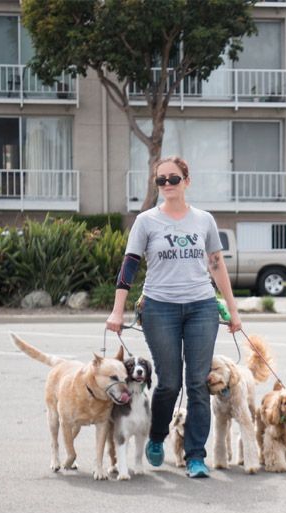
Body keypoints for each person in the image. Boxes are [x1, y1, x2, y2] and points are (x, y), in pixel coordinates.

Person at [106, 155, 242, 479]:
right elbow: (129, 265)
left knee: (198, 383)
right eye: (161, 180)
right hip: (160, 307)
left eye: (173, 179)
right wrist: (116, 310)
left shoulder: (204, 220)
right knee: (168, 382)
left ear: (187, 181)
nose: (167, 184)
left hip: (201, 307)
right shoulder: (147, 222)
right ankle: (156, 435)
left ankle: (196, 456)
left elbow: (216, 264)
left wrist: (233, 310)